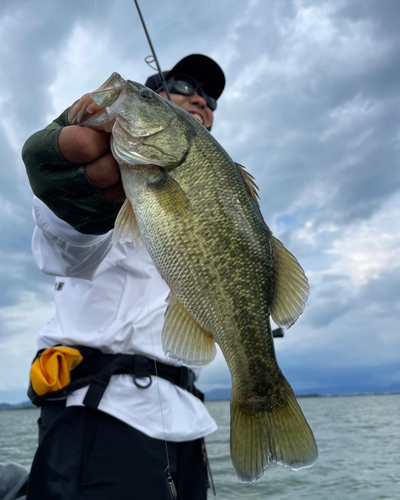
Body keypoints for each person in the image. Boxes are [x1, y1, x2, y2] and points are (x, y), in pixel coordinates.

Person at [22, 54, 225, 500]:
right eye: (182, 86)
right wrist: (77, 205)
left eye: (210, 101)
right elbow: (68, 251)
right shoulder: (119, 179)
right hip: (103, 414)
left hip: (186, 418)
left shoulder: (215, 196)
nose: (201, 101)